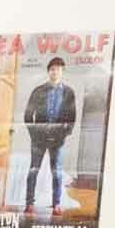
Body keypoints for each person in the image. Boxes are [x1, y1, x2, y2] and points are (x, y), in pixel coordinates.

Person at [23, 56, 78, 215]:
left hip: (57, 140)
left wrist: (64, 134)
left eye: (58, 69)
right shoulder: (38, 91)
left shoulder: (68, 92)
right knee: (33, 170)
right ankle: (29, 203)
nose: (55, 72)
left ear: (62, 72)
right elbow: (28, 115)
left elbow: (72, 117)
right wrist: (34, 133)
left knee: (57, 172)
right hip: (38, 139)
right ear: (48, 71)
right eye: (53, 69)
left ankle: (56, 204)